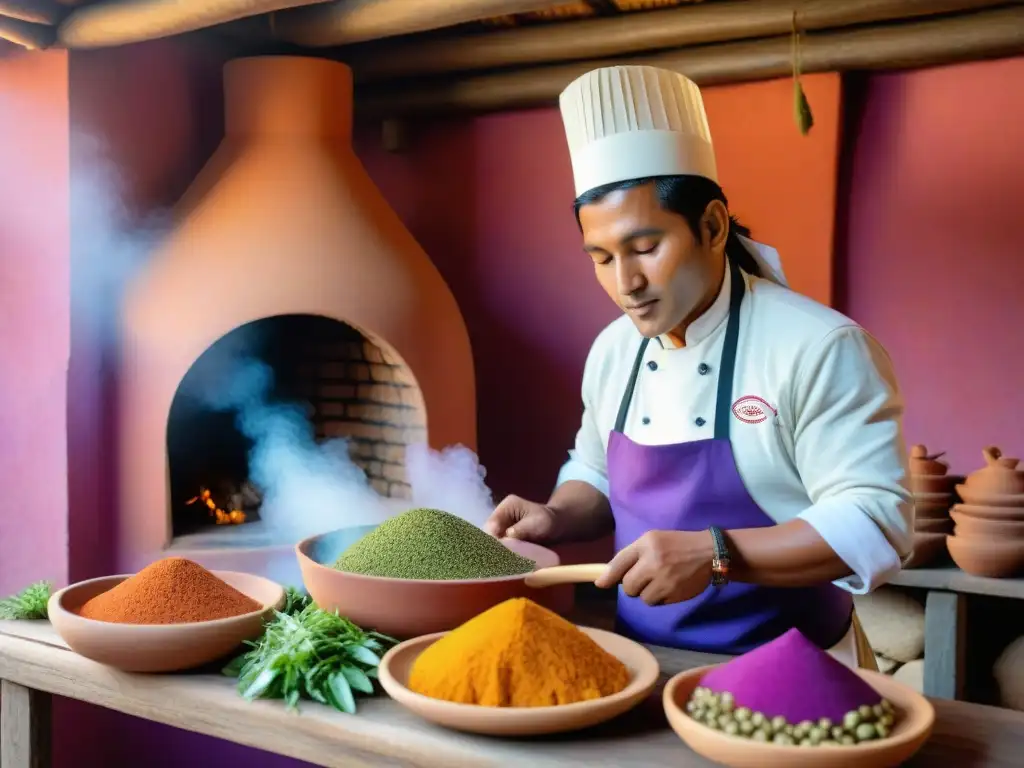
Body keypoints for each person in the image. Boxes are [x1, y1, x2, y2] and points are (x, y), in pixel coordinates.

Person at [484, 65, 913, 669]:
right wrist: (555, 515)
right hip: (643, 666)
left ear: (711, 226)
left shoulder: (819, 347)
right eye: (602, 258)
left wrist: (717, 554)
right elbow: (598, 471)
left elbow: (876, 521)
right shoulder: (613, 349)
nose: (625, 284)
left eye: (645, 249)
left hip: (792, 669)